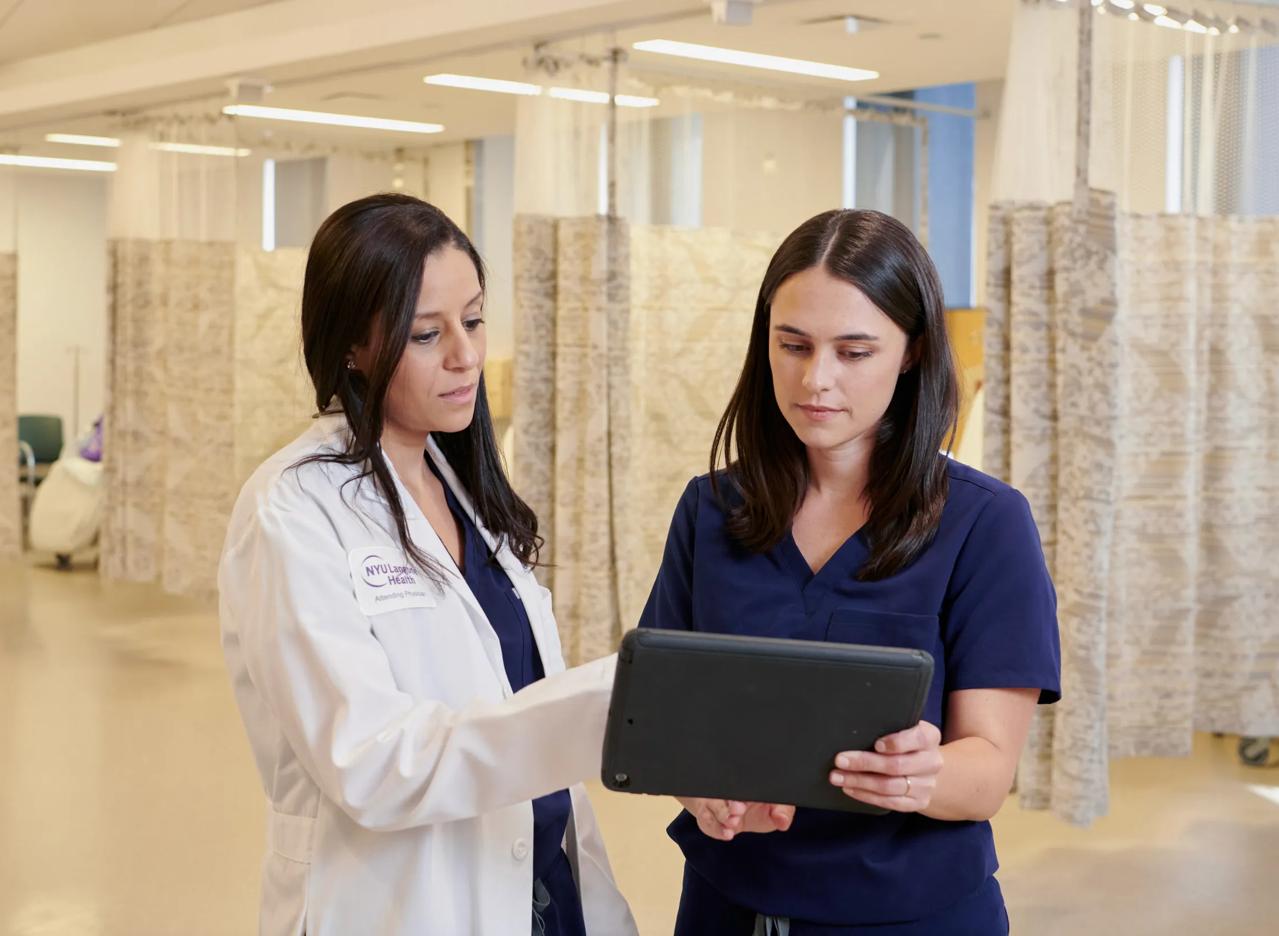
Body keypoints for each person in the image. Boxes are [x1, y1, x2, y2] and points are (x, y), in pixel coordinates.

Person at [218, 193, 637, 936]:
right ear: (352, 345)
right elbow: (370, 762)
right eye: (426, 334)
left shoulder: (460, 484)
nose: (465, 356)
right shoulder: (293, 509)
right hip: (405, 904)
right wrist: (595, 710)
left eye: (473, 321)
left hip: (539, 886)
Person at [638, 208, 1061, 935]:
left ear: (911, 352)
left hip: (909, 914)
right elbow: (664, 719)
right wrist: (696, 788)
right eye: (793, 345)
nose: (816, 379)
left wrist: (921, 774)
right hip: (727, 905)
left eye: (854, 352)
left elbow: (988, 773)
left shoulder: (984, 524)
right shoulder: (710, 511)